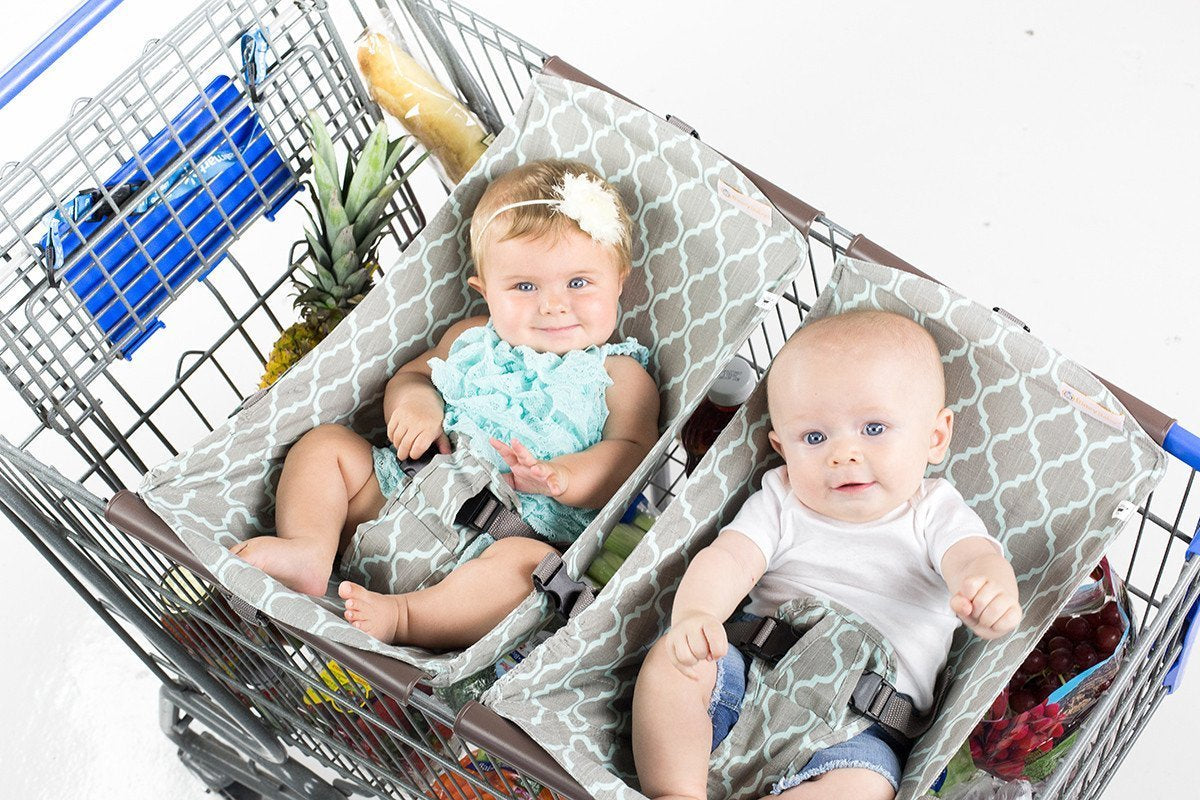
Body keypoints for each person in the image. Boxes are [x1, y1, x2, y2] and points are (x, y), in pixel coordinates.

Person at [230, 159, 659, 649]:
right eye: (524, 287)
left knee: (526, 576)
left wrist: (565, 476)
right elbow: (414, 376)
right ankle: (308, 549)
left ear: (620, 279)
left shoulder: (620, 375)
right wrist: (416, 403)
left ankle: (405, 617)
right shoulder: (472, 336)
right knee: (325, 446)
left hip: (497, 539)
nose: (553, 304)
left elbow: (629, 452)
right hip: (395, 495)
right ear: (484, 291)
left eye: (578, 283)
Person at [631, 310, 1021, 800]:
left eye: (874, 429)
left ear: (935, 437)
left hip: (856, 732)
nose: (844, 454)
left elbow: (973, 556)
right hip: (745, 678)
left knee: (866, 787)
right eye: (814, 438)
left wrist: (987, 587)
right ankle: (677, 790)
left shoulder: (934, 513)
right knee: (673, 663)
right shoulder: (783, 498)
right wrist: (697, 614)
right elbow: (729, 558)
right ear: (782, 447)